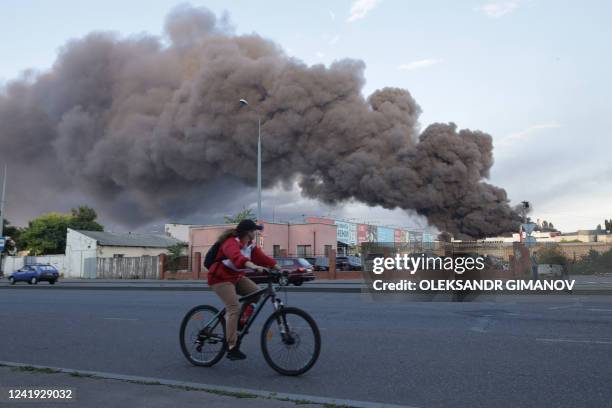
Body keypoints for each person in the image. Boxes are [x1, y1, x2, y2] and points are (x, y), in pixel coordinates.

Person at [207, 219, 279, 360]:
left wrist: (279, 268)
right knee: (234, 308)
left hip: (236, 277)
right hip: (219, 278)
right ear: (248, 232)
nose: (256, 233)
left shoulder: (249, 246)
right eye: (254, 230)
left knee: (257, 294)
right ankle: (231, 346)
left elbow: (263, 258)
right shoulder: (230, 242)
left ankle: (240, 321)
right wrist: (253, 266)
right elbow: (236, 257)